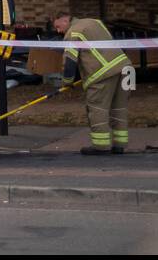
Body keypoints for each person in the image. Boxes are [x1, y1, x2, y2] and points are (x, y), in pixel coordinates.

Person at [53, 14, 130, 155]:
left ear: (65, 19)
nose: (58, 31)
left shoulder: (73, 32)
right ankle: (120, 145)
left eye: (58, 26)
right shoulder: (95, 22)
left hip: (103, 74)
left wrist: (67, 82)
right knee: (119, 108)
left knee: (97, 109)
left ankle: (101, 147)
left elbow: (70, 62)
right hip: (125, 68)